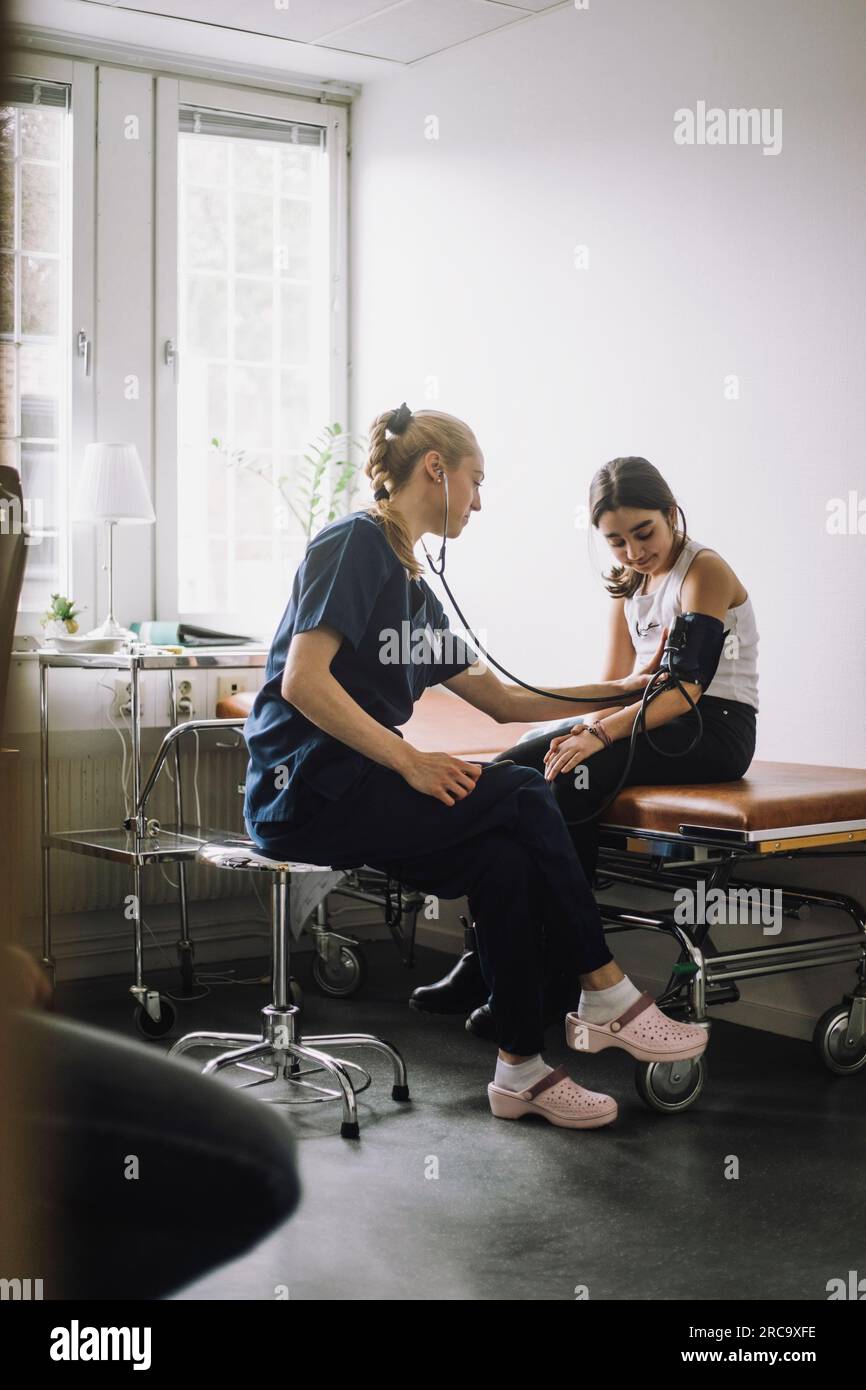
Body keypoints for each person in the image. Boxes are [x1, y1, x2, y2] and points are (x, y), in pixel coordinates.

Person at [243, 408, 711, 1130]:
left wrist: (634, 686)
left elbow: (504, 701)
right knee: (524, 789)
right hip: (305, 792)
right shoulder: (353, 544)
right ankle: (605, 988)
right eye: (477, 480)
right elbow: (305, 682)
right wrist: (411, 760)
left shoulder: (413, 587)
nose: (480, 500)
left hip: (361, 793)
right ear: (437, 468)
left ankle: (520, 1069)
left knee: (503, 860)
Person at [418, 455, 759, 1040]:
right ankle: (490, 963)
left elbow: (683, 689)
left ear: (671, 513)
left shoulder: (704, 571)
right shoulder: (629, 585)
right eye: (616, 541)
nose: (633, 552)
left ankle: (553, 982)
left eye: (644, 533)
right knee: (508, 776)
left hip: (714, 727)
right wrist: (553, 730)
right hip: (651, 716)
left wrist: (598, 734)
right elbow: (613, 685)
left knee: (568, 781)